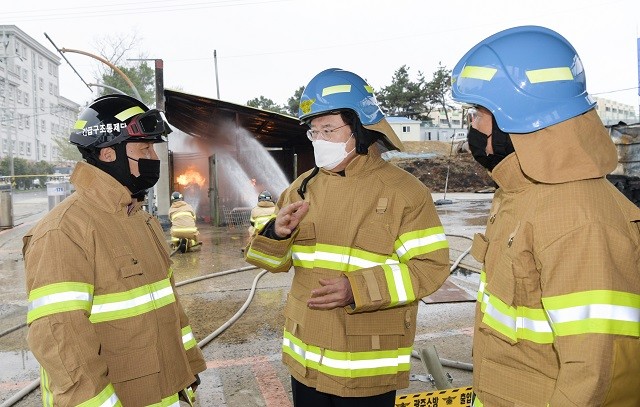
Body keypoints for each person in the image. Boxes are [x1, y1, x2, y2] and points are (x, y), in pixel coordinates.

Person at [451, 26, 640, 406]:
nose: (471, 124)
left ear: (518, 117)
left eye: (478, 113)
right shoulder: (522, 194)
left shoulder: (581, 221)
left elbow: (596, 375)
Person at [244, 68, 450, 406]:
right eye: (314, 131)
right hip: (306, 359)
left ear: (361, 127)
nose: (319, 140)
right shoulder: (300, 188)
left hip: (365, 366)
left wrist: (358, 289)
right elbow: (270, 262)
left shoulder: (405, 192)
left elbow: (430, 268)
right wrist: (276, 233)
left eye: (328, 129)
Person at [23, 94, 206, 406]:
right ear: (109, 154)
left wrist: (188, 367)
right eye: (144, 149)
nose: (153, 157)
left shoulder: (142, 221)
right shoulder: (64, 231)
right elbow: (62, 342)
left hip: (171, 391)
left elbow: (170, 308)